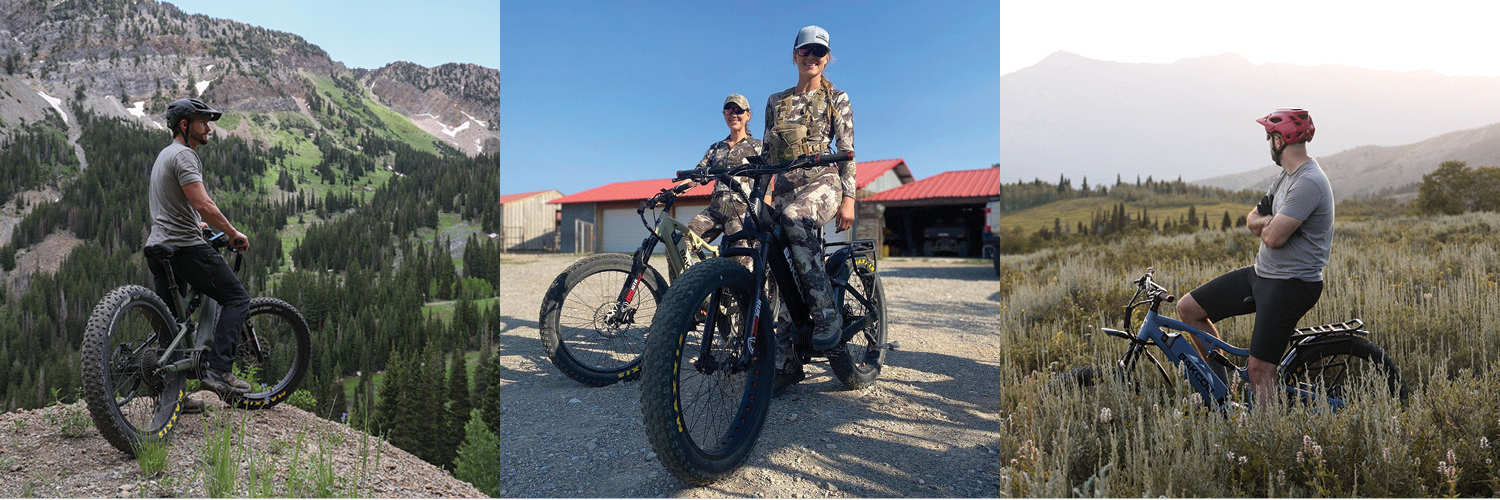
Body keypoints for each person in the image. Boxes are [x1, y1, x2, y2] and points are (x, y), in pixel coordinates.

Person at [1175, 108, 1333, 408]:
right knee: (1189, 309)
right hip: (1263, 274)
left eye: (1269, 138)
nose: (1268, 144)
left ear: (1278, 141)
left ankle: (1263, 441)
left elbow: (1274, 238)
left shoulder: (1308, 182)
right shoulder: (1285, 177)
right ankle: (1223, 399)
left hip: (1291, 284)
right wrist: (1267, 221)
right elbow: (1253, 219)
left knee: (1260, 370)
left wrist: (1268, 225)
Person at [146, 98, 253, 411]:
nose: (208, 128)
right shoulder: (185, 156)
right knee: (237, 299)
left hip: (158, 247)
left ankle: (170, 395)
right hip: (184, 248)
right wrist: (233, 233)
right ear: (184, 125)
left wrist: (199, 225)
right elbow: (203, 203)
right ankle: (218, 372)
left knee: (172, 325)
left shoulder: (165, 155)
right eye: (202, 122)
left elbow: (175, 205)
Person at [762, 24, 856, 357]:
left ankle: (827, 315)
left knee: (794, 216)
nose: (811, 57)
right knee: (783, 264)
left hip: (824, 181)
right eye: (805, 51)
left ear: (827, 58)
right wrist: (760, 196)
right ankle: (789, 357)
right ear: (794, 56)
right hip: (786, 185)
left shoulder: (836, 98)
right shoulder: (776, 101)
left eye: (818, 52)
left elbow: (847, 148)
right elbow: (766, 155)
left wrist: (849, 198)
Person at [678, 94, 763, 262]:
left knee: (740, 264)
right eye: (728, 110)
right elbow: (697, 175)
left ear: (748, 115)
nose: (733, 114)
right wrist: (672, 192)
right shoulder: (717, 148)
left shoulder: (758, 147)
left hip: (741, 214)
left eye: (738, 110)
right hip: (715, 211)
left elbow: (767, 184)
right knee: (679, 245)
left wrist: (760, 217)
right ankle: (683, 288)